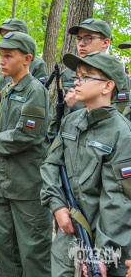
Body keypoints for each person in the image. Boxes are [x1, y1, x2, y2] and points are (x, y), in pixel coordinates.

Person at [41, 51, 131, 277]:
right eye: (77, 76)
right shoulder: (72, 121)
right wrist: (57, 206)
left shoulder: (122, 134)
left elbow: (117, 201)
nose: (76, 82)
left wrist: (102, 254)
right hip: (68, 233)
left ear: (107, 86)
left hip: (104, 242)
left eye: (86, 77)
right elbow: (51, 164)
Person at [0, 31, 52, 277]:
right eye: (1, 56)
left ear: (27, 59)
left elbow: (28, 134)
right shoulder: (7, 89)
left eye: (9, 56)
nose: (2, 61)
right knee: (4, 247)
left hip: (27, 186)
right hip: (3, 183)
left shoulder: (35, 91)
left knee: (33, 251)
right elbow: (2, 126)